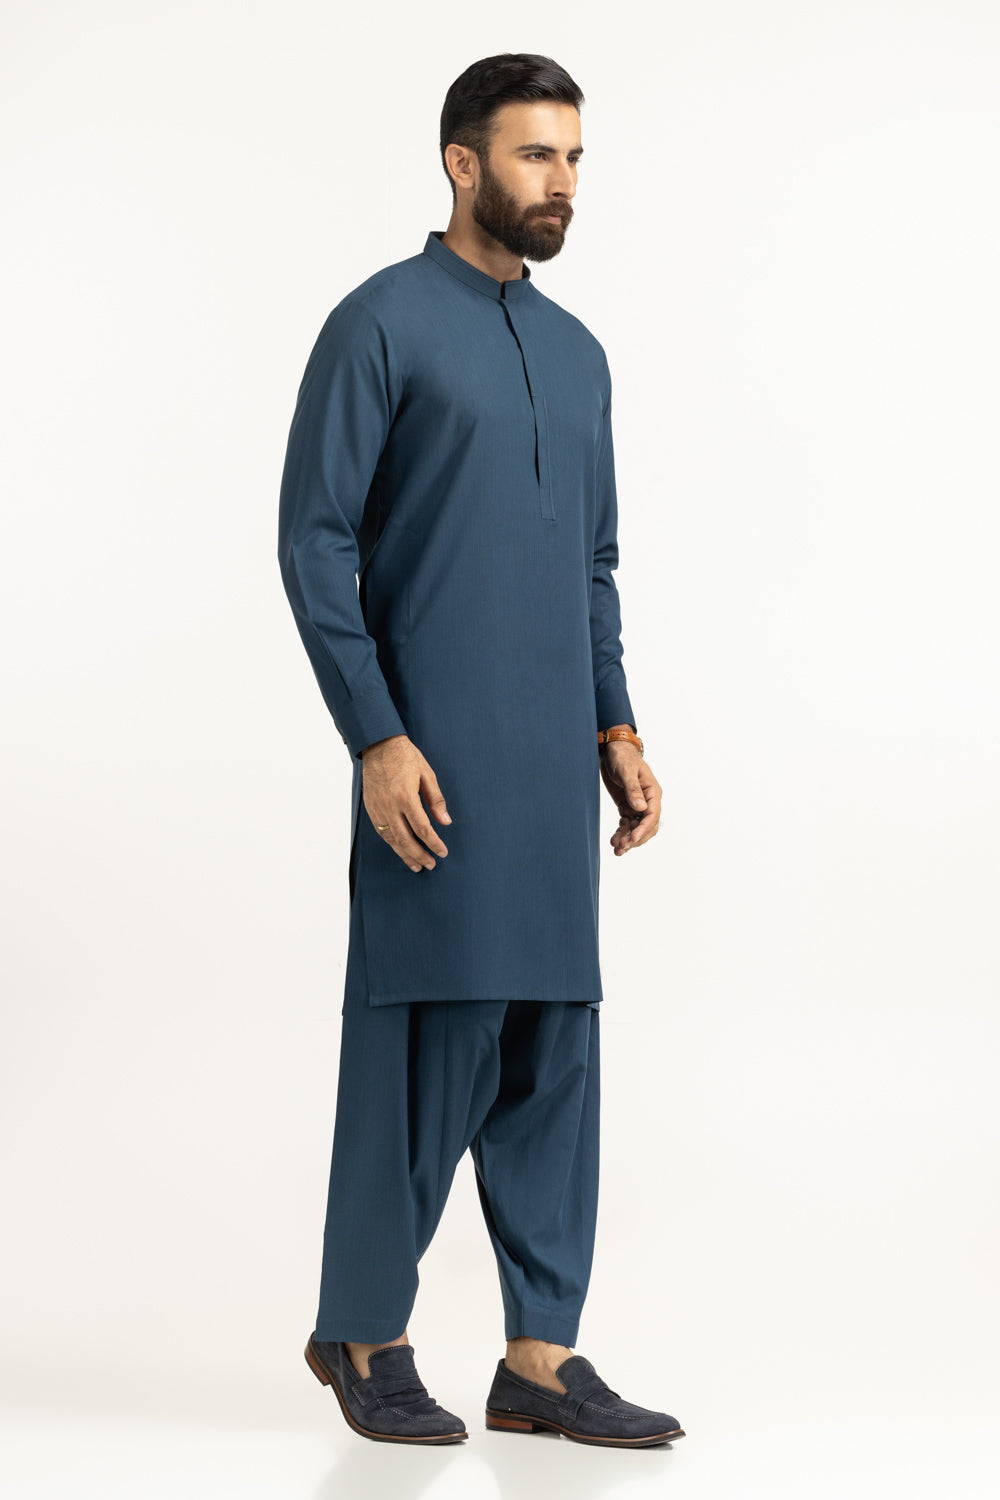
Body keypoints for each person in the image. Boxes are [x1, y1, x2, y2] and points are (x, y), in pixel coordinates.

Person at [277, 52, 685, 1449]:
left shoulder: (579, 355)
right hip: (432, 765)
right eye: (534, 155)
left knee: (552, 1048)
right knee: (424, 1043)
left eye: (573, 158)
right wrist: (376, 736)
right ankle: (362, 1332)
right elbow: (315, 544)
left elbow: (593, 563)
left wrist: (615, 722)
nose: (561, 183)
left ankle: (539, 1359)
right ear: (463, 163)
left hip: (549, 773)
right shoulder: (378, 325)